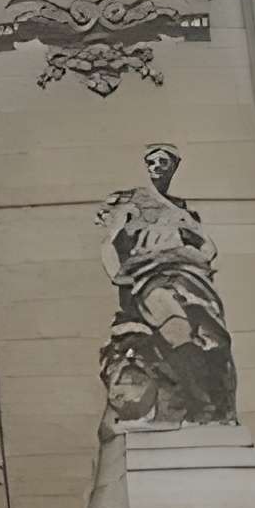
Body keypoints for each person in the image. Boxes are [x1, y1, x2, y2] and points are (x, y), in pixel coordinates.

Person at [93, 143, 235, 428]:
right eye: (152, 162)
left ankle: (211, 409)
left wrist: (197, 259)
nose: (156, 167)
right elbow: (109, 242)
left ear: (174, 166)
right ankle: (197, 403)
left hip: (190, 276)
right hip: (149, 275)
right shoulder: (134, 202)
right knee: (176, 328)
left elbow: (208, 246)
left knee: (214, 339)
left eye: (163, 162)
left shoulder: (182, 212)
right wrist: (117, 275)